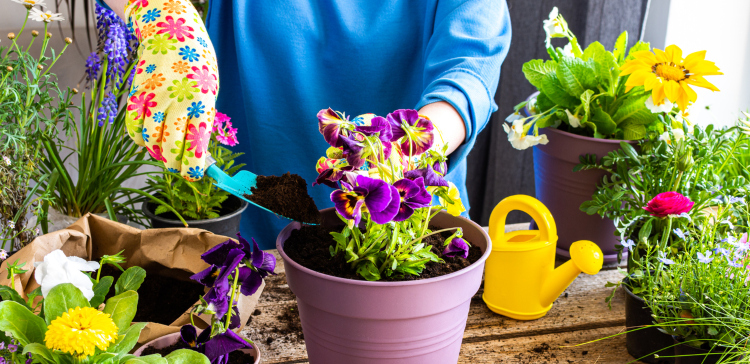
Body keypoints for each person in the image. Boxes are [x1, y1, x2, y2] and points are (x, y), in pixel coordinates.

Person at [104, 0, 511, 249]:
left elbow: (469, 70)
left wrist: (397, 152)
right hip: (250, 249)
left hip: (406, 237)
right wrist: (163, 16)